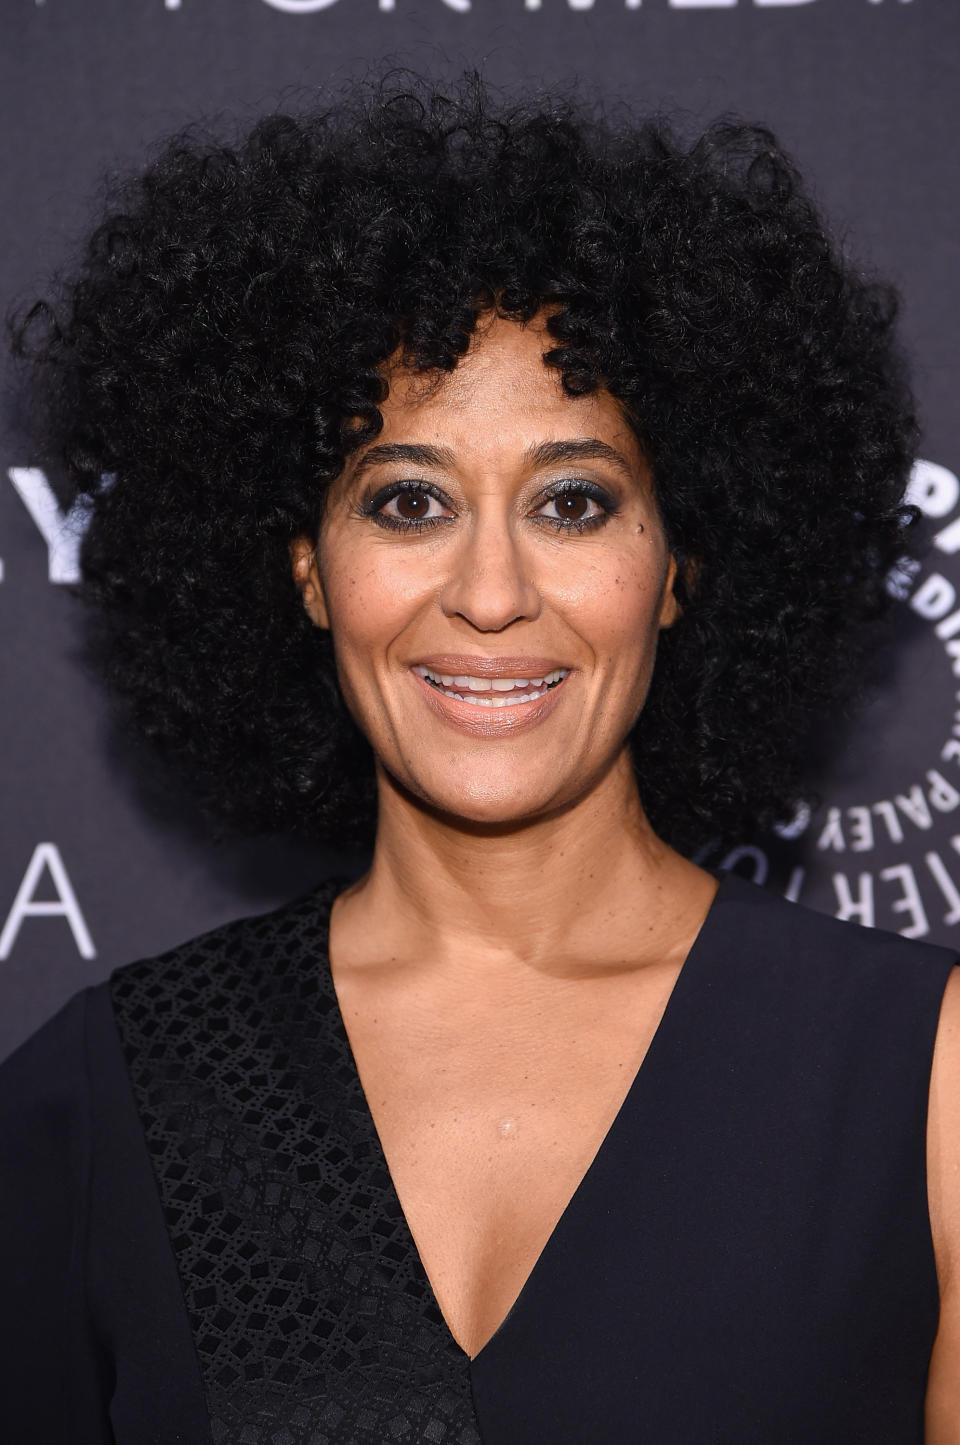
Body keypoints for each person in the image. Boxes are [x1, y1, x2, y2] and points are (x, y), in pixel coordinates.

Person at [1, 70, 958, 1445]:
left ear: (680, 566)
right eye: (407, 501)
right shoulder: (112, 1094)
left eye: (573, 501)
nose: (492, 591)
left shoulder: (925, 1081)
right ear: (306, 571)